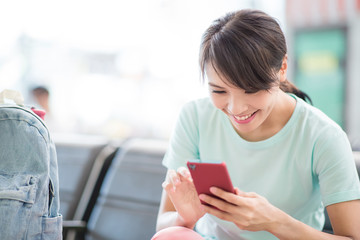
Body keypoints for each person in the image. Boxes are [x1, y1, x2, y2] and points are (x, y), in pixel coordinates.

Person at [153, 9, 360, 240]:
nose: (235, 108)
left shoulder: (324, 136)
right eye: (219, 91)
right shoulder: (195, 117)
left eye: (251, 89)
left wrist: (275, 222)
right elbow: (163, 226)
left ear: (282, 68)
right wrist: (186, 217)